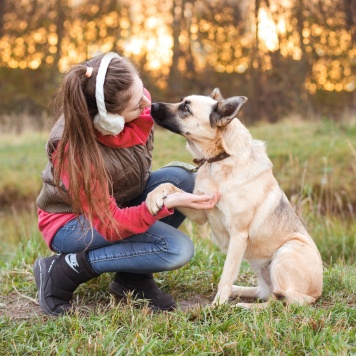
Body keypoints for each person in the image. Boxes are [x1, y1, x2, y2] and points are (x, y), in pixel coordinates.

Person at [33, 52, 219, 316]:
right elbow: (110, 223)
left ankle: (132, 278)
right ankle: (65, 269)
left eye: (140, 87)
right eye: (135, 105)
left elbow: (135, 169)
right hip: (71, 222)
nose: (146, 102)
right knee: (175, 249)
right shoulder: (73, 150)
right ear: (109, 119)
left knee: (184, 178)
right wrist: (165, 203)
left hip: (116, 201)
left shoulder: (134, 101)